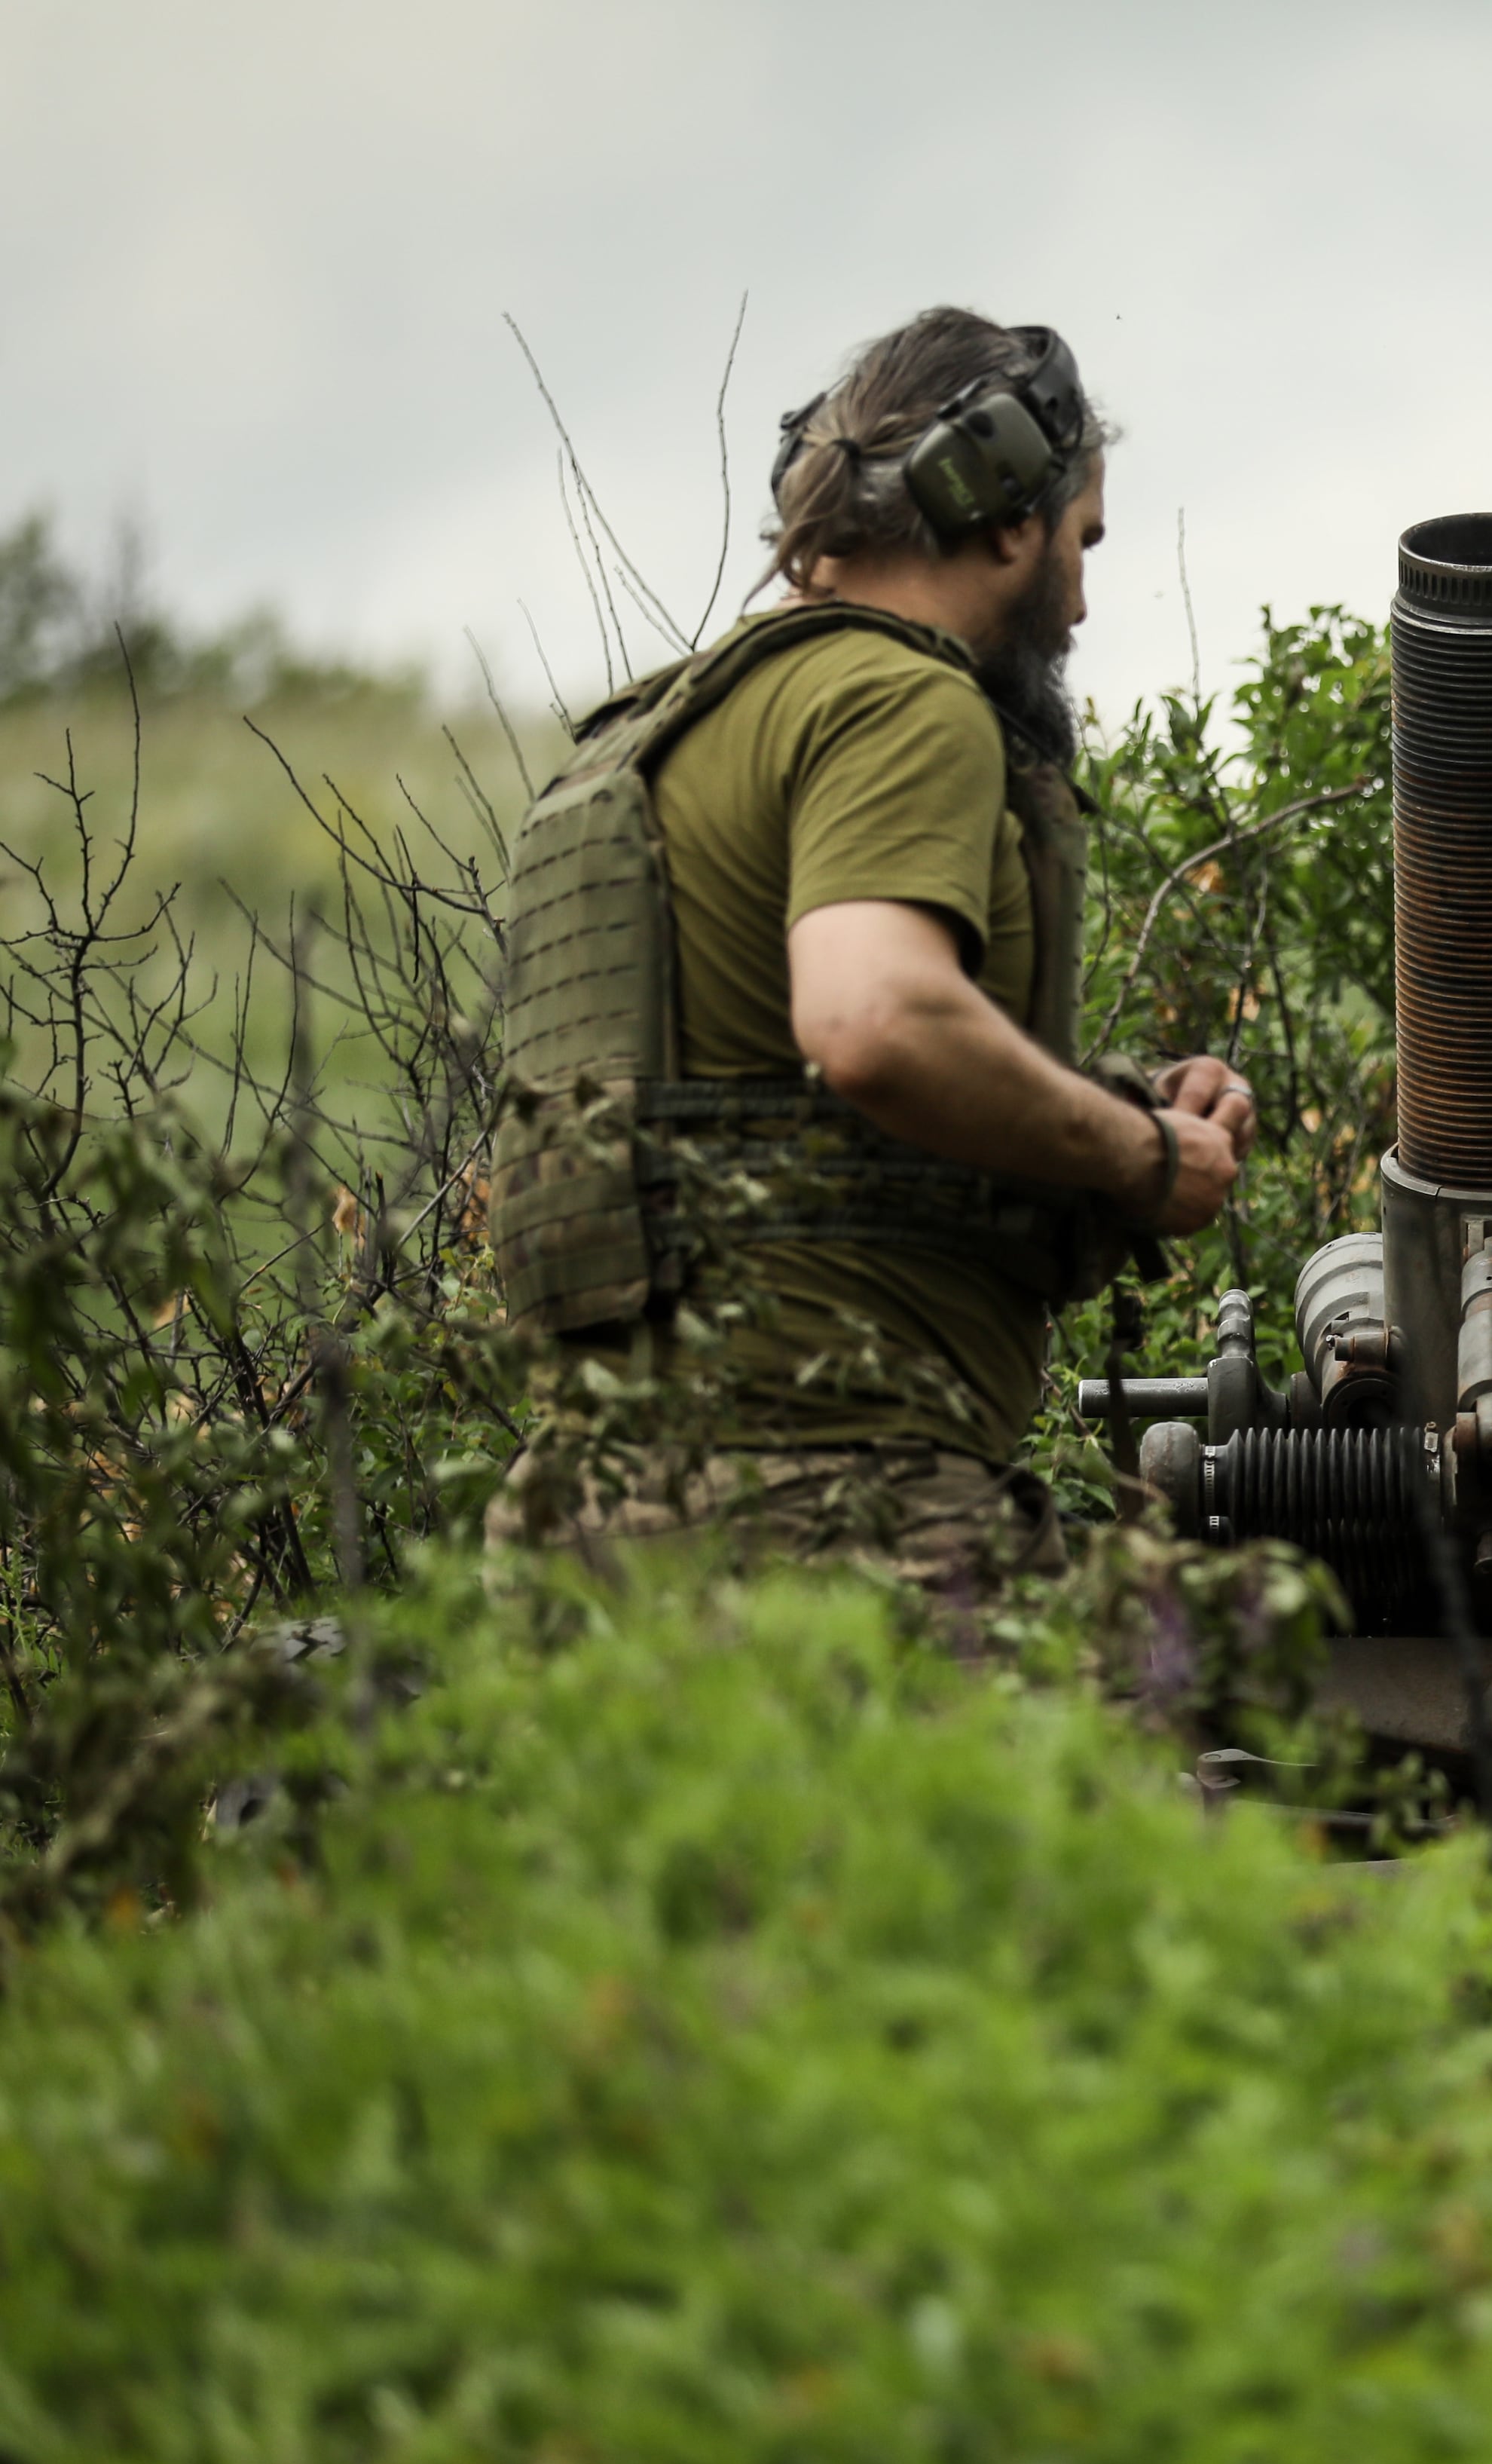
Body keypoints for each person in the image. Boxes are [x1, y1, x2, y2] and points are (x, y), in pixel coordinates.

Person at [484, 308, 1250, 1587]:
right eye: (1081, 541)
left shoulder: (659, 734)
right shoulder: (901, 698)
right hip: (836, 1510)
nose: (1078, 598)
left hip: (589, 1524)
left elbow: (755, 1098)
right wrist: (1143, 1151)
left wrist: (1103, 1099)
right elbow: (873, 1022)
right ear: (1011, 518)